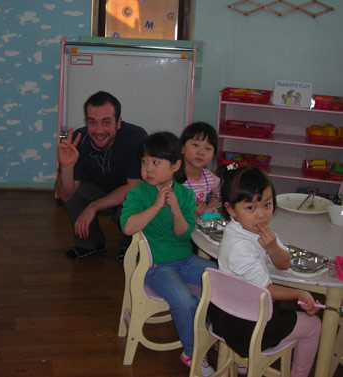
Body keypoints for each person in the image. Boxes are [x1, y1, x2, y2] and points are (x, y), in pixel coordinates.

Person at [120, 131, 216, 376]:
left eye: (155, 163)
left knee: (225, 279)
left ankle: (211, 329)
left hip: (184, 260)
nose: (148, 169)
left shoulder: (184, 194)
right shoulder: (138, 193)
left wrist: (175, 211)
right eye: (144, 162)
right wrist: (156, 206)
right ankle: (192, 352)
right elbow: (129, 227)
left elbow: (184, 235)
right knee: (185, 300)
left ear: (175, 166)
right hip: (156, 266)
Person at [211, 164, 321, 377]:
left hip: (234, 310)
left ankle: (245, 362)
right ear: (231, 209)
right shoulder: (239, 247)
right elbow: (266, 290)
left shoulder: (251, 229)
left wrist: (272, 247)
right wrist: (299, 293)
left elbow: (284, 264)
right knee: (314, 325)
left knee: (283, 305)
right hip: (244, 326)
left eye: (267, 205)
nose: (261, 215)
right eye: (251, 208)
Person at [56, 91, 148, 261]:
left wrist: (94, 206)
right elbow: (65, 195)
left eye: (106, 122)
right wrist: (66, 167)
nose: (98, 130)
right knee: (75, 192)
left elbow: (135, 186)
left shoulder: (136, 137)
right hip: (99, 190)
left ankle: (130, 247)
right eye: (93, 122)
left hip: (127, 194)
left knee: (138, 197)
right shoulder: (79, 139)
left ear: (118, 122)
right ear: (86, 122)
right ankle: (89, 244)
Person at [177, 121, 220, 218]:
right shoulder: (172, 177)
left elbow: (221, 191)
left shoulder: (209, 177)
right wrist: (191, 213)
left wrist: (206, 210)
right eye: (196, 145)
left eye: (208, 148)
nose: (201, 152)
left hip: (197, 227)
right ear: (182, 148)